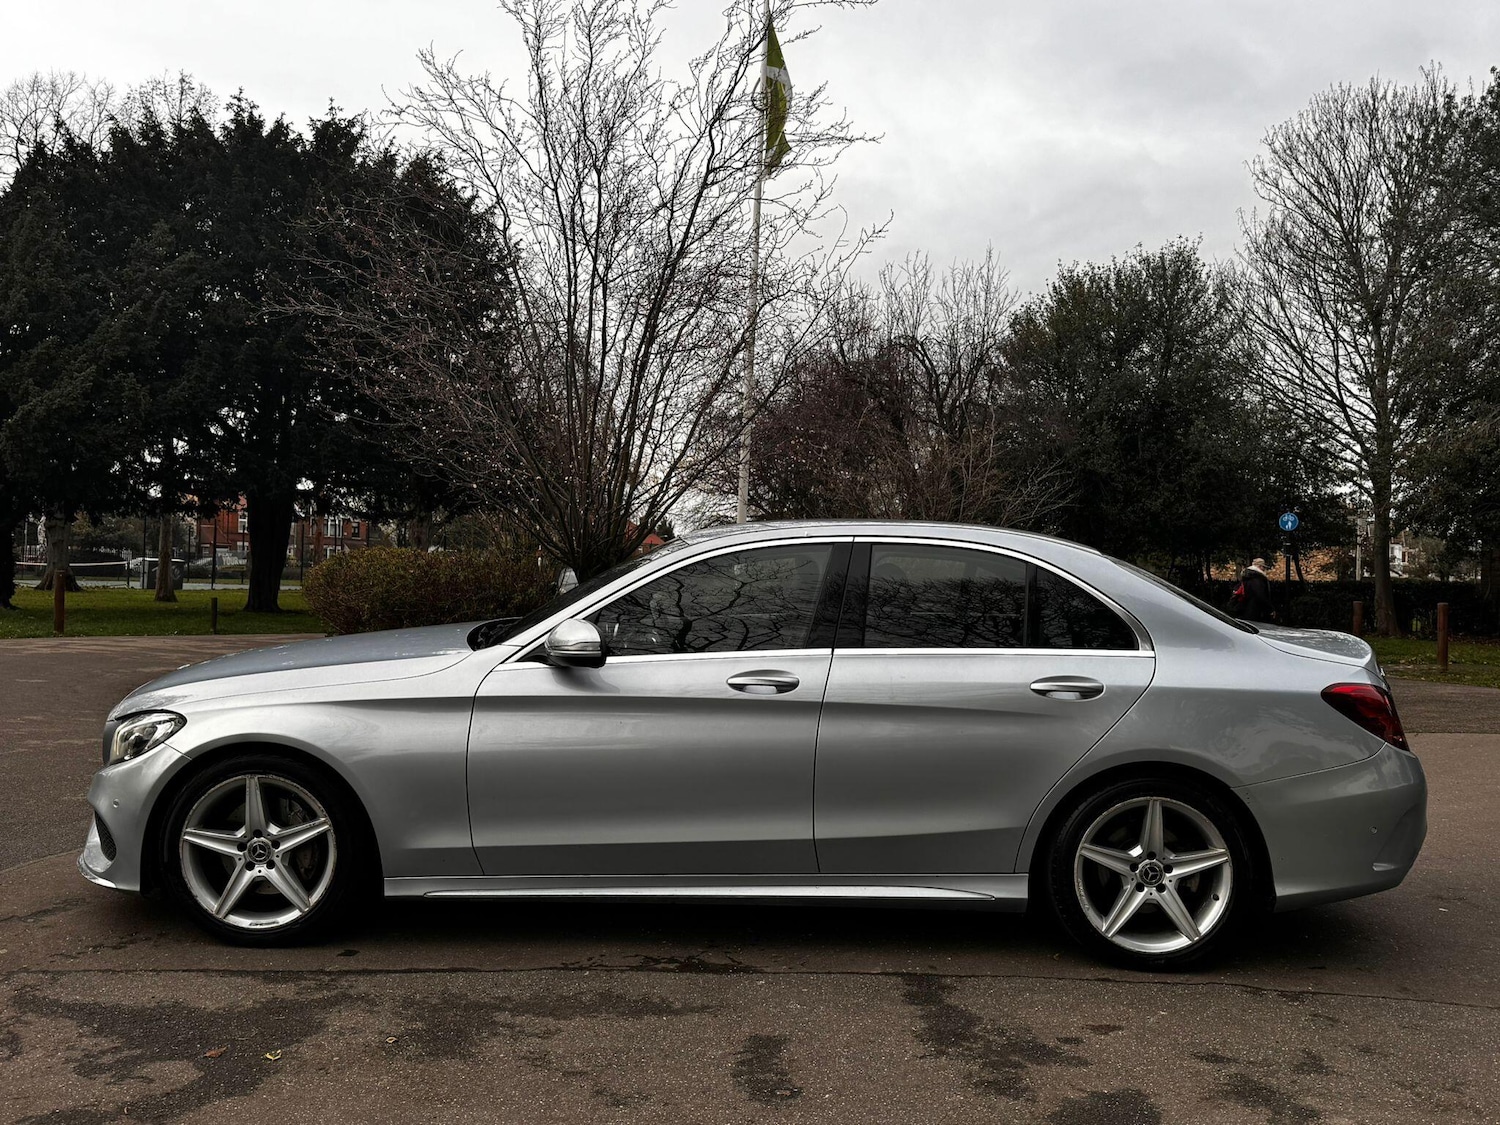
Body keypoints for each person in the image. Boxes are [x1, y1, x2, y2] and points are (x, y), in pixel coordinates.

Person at [1230, 557, 1276, 623]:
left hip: (1242, 609)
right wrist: (1269, 609)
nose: (1264, 569)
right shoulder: (1257, 578)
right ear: (1260, 566)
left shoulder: (1246, 577)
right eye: (1263, 567)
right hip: (1253, 611)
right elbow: (1260, 596)